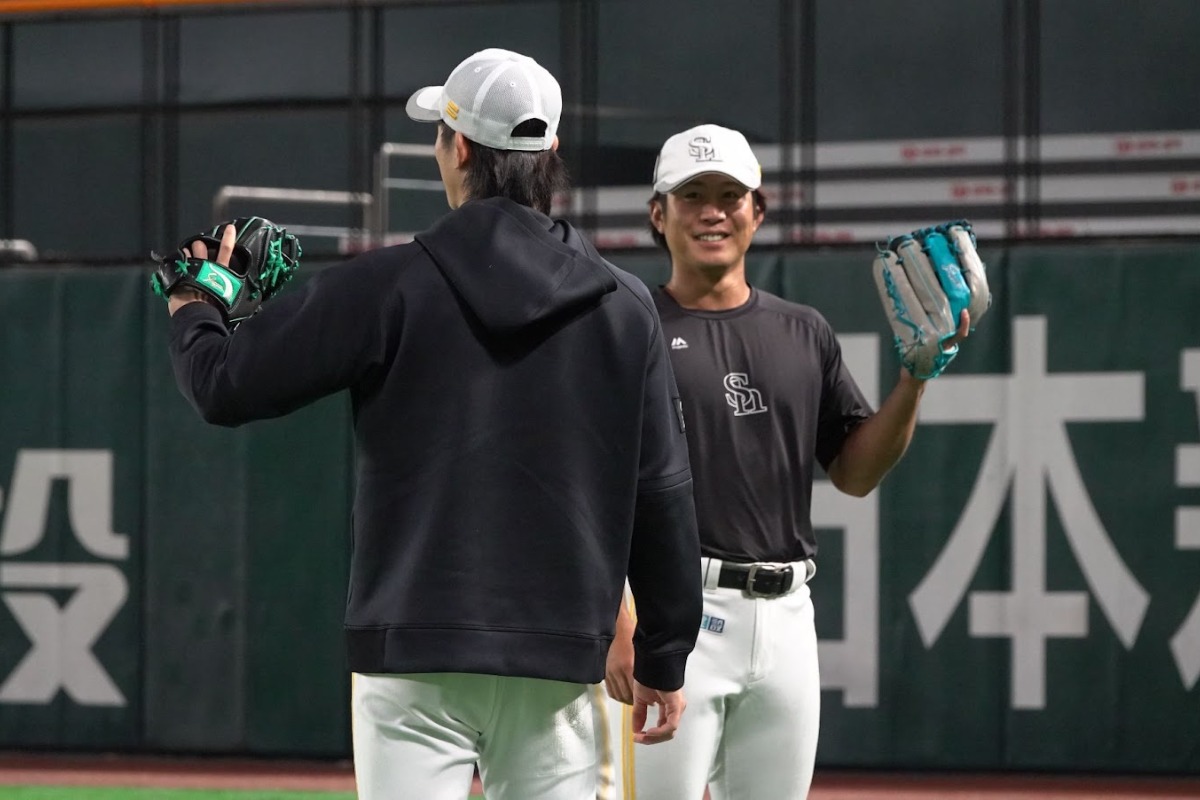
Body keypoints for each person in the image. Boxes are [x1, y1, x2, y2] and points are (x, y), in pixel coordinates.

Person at [163, 48, 702, 800]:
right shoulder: (625, 304)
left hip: (414, 652)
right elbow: (662, 491)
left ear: (460, 150)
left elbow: (223, 387)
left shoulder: (387, 286)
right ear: (549, 153)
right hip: (556, 661)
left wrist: (196, 305)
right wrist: (665, 652)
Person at [603, 124, 973, 799]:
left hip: (785, 622)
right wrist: (621, 623)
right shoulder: (631, 329)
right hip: (672, 619)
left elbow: (856, 474)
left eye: (730, 195)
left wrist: (914, 377)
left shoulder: (804, 331)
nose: (713, 211)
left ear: (757, 211)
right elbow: (592, 494)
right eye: (691, 196)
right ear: (658, 213)